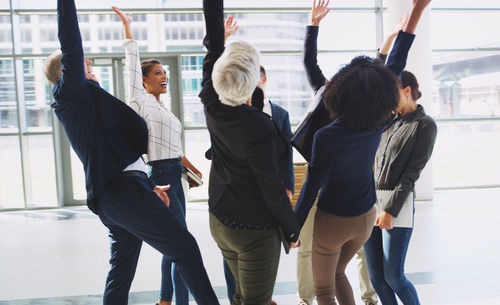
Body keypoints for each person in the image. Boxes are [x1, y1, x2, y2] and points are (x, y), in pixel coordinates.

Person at [45, 1, 219, 304]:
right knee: (184, 247)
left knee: (121, 272)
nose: (91, 67)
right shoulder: (69, 94)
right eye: (85, 65)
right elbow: (71, 43)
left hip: (125, 190)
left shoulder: (92, 106)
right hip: (119, 193)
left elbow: (120, 150)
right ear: (68, 72)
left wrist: (149, 184)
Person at [294, 1, 432, 305]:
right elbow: (394, 64)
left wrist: (292, 228)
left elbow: (312, 183)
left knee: (324, 289)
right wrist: (417, 14)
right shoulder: (378, 121)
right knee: (341, 272)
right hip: (366, 216)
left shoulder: (326, 134)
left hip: (333, 217)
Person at [200, 0, 299, 304]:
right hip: (254, 230)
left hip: (220, 219)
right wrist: (291, 228)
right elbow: (269, 184)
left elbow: (213, 48)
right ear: (254, 82)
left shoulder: (210, 101)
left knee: (241, 296)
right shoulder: (259, 126)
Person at [112, 7, 203, 305]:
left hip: (175, 175)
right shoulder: (140, 99)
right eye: (157, 73)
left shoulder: (164, 108)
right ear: (144, 80)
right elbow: (130, 62)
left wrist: (189, 168)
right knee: (182, 244)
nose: (164, 76)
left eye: (165, 72)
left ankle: (166, 300)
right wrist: (128, 29)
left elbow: (173, 147)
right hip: (161, 175)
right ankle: (178, 302)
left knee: (175, 243)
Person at [363, 69, 437, 305]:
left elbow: (411, 174)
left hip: (397, 205)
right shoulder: (388, 122)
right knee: (376, 277)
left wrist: (390, 211)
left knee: (394, 276)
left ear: (407, 91)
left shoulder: (425, 125)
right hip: (371, 203)